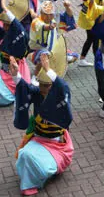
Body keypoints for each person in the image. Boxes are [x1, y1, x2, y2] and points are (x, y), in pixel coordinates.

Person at [13, 55, 74, 196]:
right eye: (40, 84)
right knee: (24, 155)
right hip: (39, 138)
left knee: (42, 167)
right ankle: (29, 181)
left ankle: (46, 172)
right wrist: (16, 74)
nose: (41, 88)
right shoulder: (37, 92)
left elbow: (63, 87)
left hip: (57, 143)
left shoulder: (59, 93)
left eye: (46, 85)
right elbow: (24, 88)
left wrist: (48, 69)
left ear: (53, 85)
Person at [0, 0, 31, 107]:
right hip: (4, 70)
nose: (4, 26)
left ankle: (9, 98)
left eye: (7, 24)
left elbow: (18, 27)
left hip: (17, 70)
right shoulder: (4, 32)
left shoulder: (19, 34)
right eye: (4, 24)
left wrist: (4, 7)